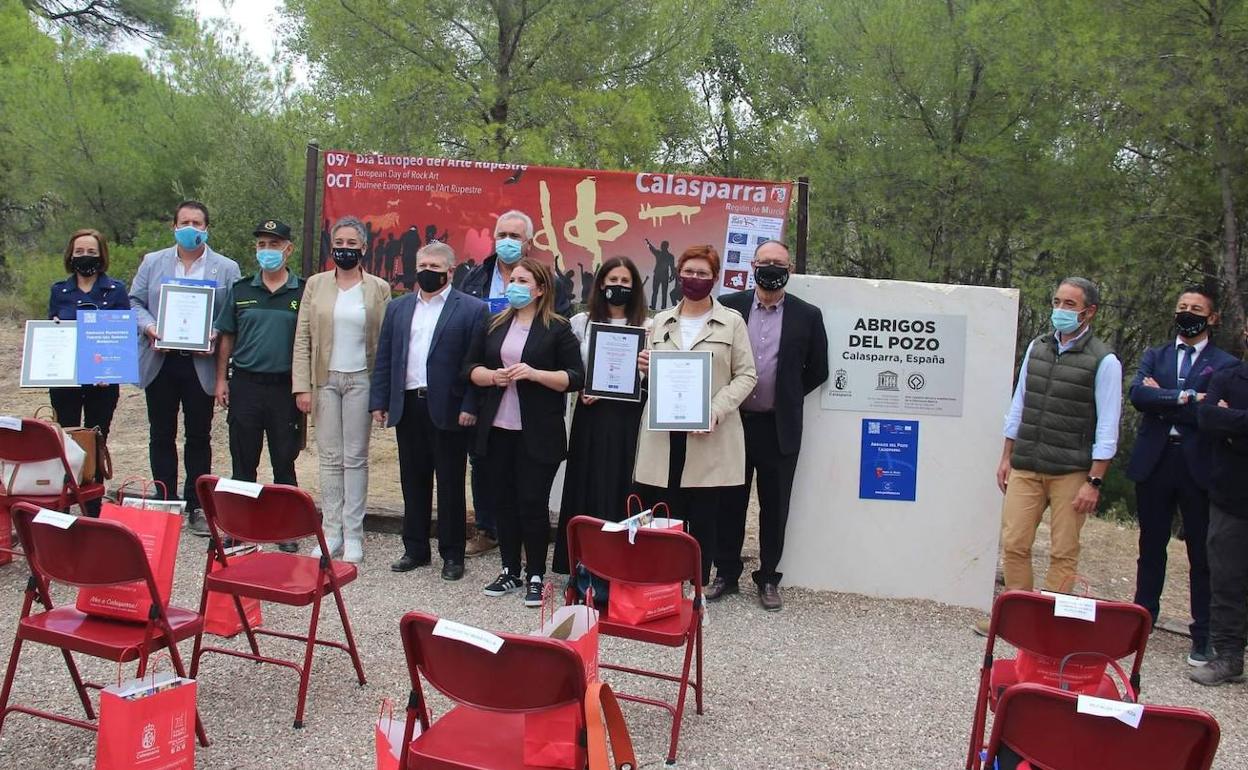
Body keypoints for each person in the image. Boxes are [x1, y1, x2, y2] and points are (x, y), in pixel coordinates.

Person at [974, 277, 1122, 636]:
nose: (1061, 310)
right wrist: (1007, 454)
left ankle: (1049, 624)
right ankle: (1017, 615)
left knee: (1063, 550)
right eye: (1057, 301)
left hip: (1071, 470)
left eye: (1070, 304)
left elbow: (1108, 425)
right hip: (1027, 462)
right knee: (1014, 541)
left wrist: (1094, 480)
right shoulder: (1036, 348)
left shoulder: (1105, 361)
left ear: (1090, 312)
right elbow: (1019, 403)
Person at [711, 240, 829, 611]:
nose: (772, 269)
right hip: (733, 424)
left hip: (779, 428)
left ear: (789, 269)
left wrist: (786, 396)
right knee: (728, 501)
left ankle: (768, 577)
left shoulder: (808, 315)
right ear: (752, 266)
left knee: (774, 507)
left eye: (779, 263)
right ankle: (726, 573)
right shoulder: (728, 307)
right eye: (765, 263)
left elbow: (819, 370)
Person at [633, 245, 757, 588]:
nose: (694, 279)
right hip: (664, 433)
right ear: (678, 275)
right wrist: (645, 368)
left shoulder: (732, 322)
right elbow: (655, 377)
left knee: (705, 513)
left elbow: (747, 375)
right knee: (664, 508)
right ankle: (664, 582)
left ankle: (698, 587)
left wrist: (715, 410)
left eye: (703, 274)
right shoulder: (660, 321)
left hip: (709, 434)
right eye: (688, 272)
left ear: (715, 279)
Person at [1127, 287, 1237, 666]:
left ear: (1212, 318)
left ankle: (1202, 635)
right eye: (1182, 307)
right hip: (1155, 461)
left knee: (1201, 555)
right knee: (1150, 547)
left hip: (1199, 466)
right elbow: (1139, 395)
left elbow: (1212, 415)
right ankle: (1142, 620)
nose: (1187, 314)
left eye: (1196, 309)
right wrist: (1189, 397)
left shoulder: (1225, 363)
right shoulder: (1155, 354)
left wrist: (1168, 398)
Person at [466, 257, 583, 606]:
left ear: (541, 289)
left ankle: (535, 573)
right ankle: (509, 570)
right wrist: (490, 376)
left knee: (531, 503)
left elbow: (575, 377)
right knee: (503, 501)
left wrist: (535, 374)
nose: (514, 285)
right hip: (497, 428)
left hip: (538, 432)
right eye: (512, 279)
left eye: (523, 280)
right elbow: (470, 366)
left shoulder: (558, 329)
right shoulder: (493, 323)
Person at [371, 241, 488, 581]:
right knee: (413, 479)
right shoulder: (399, 307)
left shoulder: (471, 309)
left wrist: (470, 405)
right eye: (423, 265)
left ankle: (452, 554)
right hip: (408, 404)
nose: (427, 272)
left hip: (449, 407)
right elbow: (386, 357)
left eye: (436, 268)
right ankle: (416, 548)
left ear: (450, 272)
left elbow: (475, 362)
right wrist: (380, 400)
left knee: (450, 483)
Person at [459, 211, 574, 556]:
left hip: (533, 402)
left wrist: (536, 369)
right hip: (488, 392)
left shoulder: (553, 283)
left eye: (514, 235)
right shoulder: (476, 276)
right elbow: (469, 349)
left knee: (528, 488)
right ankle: (487, 529)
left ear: (527, 242)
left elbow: (560, 341)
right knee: (484, 466)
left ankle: (530, 552)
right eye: (501, 233)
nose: (506, 241)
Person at [130, 201, 241, 534]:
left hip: (200, 363)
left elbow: (231, 314)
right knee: (161, 433)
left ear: (207, 228)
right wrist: (150, 327)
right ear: (174, 226)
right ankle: (165, 503)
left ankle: (196, 505)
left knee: (199, 436)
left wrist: (215, 332)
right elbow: (134, 301)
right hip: (160, 361)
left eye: (197, 222)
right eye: (185, 222)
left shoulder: (226, 268)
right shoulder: (153, 262)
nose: (191, 227)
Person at [292, 216, 391, 564]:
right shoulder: (316, 285)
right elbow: (303, 337)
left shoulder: (378, 288)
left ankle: (353, 534)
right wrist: (302, 386)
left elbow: (385, 342)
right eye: (340, 243)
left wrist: (383, 393)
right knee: (330, 459)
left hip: (361, 380)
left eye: (352, 244)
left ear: (363, 248)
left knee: (356, 458)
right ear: (331, 246)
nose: (345, 249)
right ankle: (330, 532)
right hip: (325, 381)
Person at [552, 256, 652, 575]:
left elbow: (654, 377)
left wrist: (646, 369)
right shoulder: (581, 322)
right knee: (586, 479)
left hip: (628, 417)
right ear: (600, 284)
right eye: (612, 281)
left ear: (634, 286)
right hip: (590, 412)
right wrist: (581, 385)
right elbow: (569, 367)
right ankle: (579, 557)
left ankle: (620, 560)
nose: (618, 287)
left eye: (625, 282)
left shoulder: (648, 327)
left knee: (623, 482)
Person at [214, 219, 306, 552]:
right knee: (243, 460)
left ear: (288, 249)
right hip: (246, 386)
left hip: (284, 388)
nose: (267, 251)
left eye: (274, 244)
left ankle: (287, 528)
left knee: (284, 460)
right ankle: (241, 526)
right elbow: (227, 337)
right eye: (262, 245)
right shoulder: (241, 290)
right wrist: (220, 379)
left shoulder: (302, 291)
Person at [47, 229, 129, 514]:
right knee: (66, 438)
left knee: (96, 437)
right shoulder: (59, 291)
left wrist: (113, 367)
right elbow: (52, 333)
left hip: (102, 383)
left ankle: (92, 508)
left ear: (101, 254)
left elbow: (122, 336)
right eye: (79, 252)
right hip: (66, 380)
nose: (85, 257)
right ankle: (64, 506)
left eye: (91, 252)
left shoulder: (116, 290)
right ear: (70, 255)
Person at [1193, 340, 1248, 686]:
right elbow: (1207, 417)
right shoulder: (1227, 376)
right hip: (1232, 497)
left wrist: (1234, 427)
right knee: (1226, 579)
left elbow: (1222, 420)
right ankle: (1228, 656)